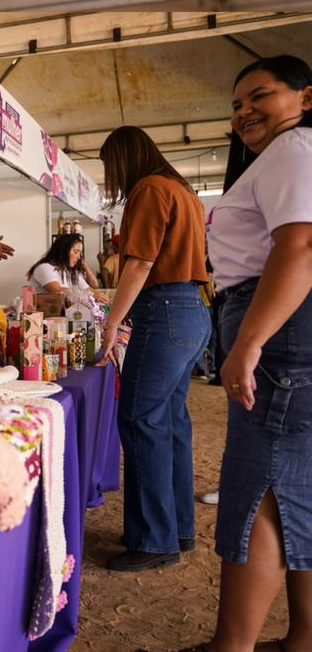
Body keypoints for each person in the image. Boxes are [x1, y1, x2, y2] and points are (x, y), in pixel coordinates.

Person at [173, 56, 312, 652]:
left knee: (260, 486)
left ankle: (232, 645)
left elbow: (300, 245)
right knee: (295, 487)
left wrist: (249, 341)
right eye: (235, 105)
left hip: (277, 329)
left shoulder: (292, 150)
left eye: (260, 96)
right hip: (282, 323)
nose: (243, 112)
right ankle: (302, 636)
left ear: (305, 97)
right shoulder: (287, 153)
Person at [97, 125, 210, 573]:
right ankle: (176, 530)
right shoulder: (183, 191)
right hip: (191, 309)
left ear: (123, 159)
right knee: (169, 421)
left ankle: (152, 539)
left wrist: (112, 320)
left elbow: (142, 262)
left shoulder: (148, 190)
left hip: (163, 308)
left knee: (141, 418)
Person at [26, 233, 99, 296]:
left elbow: (91, 288)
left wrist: (98, 295)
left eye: (80, 253)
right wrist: (92, 295)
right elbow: (58, 291)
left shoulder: (70, 272)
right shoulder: (44, 267)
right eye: (76, 252)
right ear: (64, 251)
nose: (79, 257)